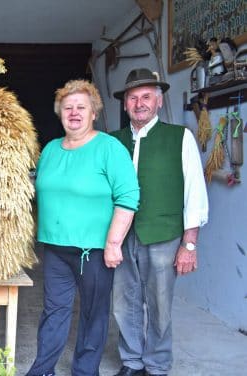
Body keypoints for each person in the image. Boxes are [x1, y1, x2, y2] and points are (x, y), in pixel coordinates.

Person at [26, 80, 140, 376]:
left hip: (95, 250)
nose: (74, 113)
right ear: (60, 113)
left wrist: (114, 243)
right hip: (55, 248)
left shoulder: (109, 148)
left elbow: (128, 197)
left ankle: (85, 371)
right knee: (54, 312)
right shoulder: (50, 149)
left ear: (93, 113)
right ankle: (42, 370)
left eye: (81, 107)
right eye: (68, 108)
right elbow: (37, 188)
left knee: (93, 314)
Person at [110, 68, 209, 376]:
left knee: (160, 304)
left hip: (164, 235)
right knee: (123, 304)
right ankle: (132, 361)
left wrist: (189, 243)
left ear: (158, 101)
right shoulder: (113, 141)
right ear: (125, 104)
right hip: (121, 236)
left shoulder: (179, 137)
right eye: (133, 97)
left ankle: (157, 365)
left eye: (146, 97)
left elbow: (195, 192)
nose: (140, 103)